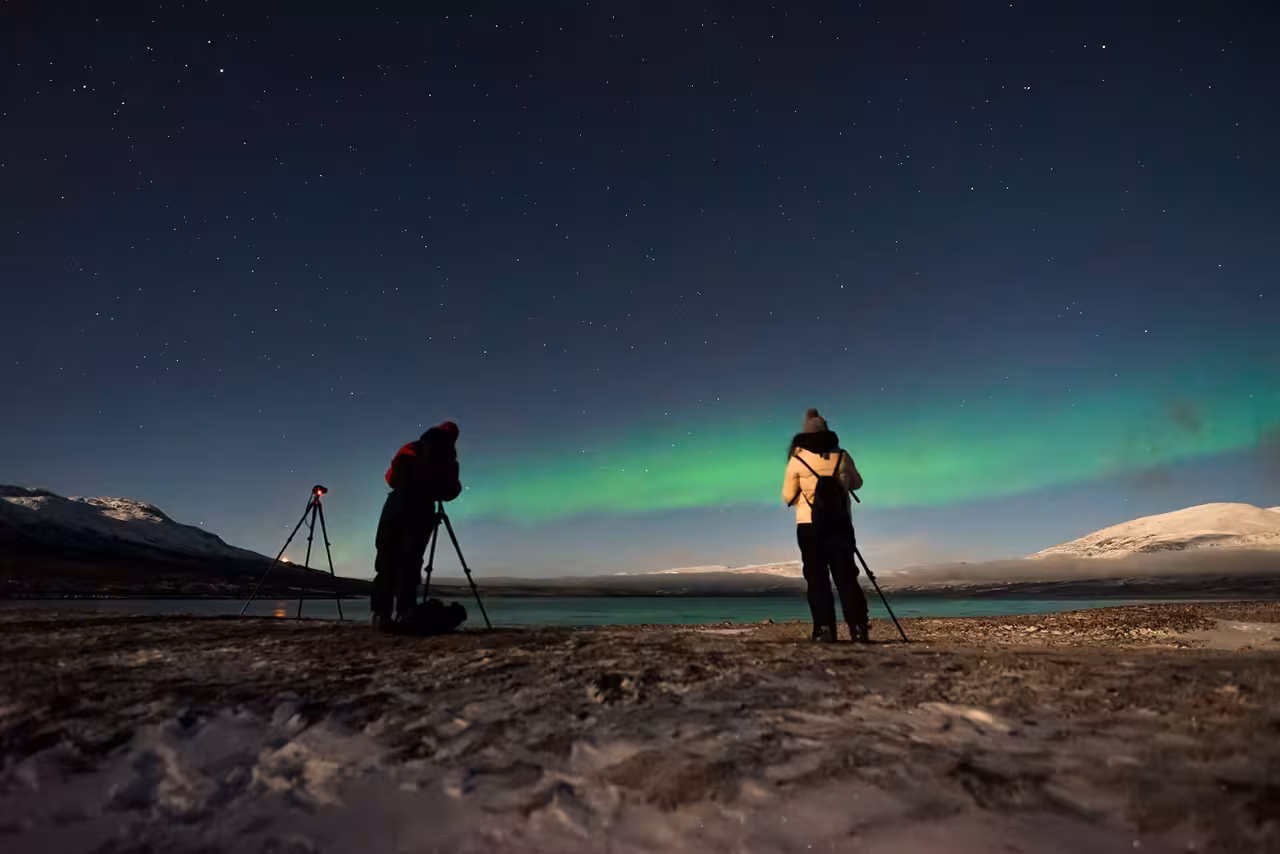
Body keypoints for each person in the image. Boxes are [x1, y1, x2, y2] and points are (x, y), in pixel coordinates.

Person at [781, 408, 869, 643]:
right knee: (847, 577)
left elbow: (787, 496)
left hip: (809, 525)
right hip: (840, 524)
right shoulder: (842, 455)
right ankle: (859, 629)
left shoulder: (797, 459)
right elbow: (858, 483)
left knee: (817, 577)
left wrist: (806, 492)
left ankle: (824, 630)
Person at [372, 421, 463, 631]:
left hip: (395, 504)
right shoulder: (449, 457)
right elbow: (450, 491)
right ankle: (406, 612)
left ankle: (381, 614)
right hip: (422, 509)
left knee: (386, 560)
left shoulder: (410, 447)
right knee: (410, 562)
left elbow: (390, 478)